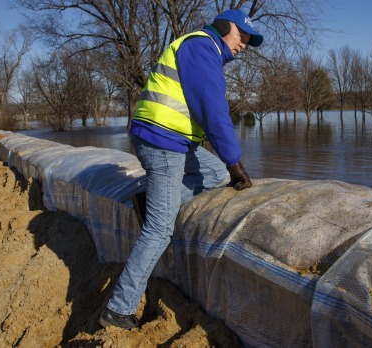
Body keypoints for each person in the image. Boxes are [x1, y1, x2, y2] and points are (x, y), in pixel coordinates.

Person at [99, 9, 263, 329]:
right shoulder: (202, 48)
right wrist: (235, 162)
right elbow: (213, 112)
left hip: (171, 140)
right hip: (164, 142)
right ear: (224, 28)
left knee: (214, 174)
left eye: (247, 42)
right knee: (160, 228)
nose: (243, 45)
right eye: (241, 37)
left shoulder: (201, 51)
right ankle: (119, 308)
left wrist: (225, 167)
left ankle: (150, 201)